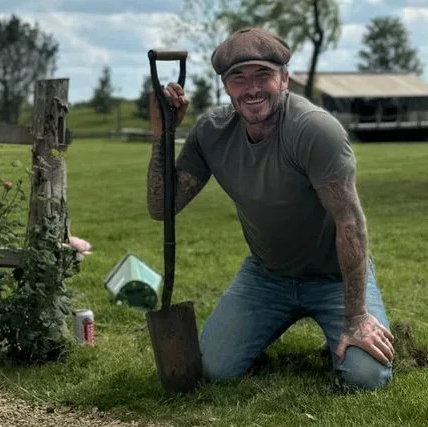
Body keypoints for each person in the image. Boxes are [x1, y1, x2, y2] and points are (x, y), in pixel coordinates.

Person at [147, 27, 394, 389]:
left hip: (333, 278)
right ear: (225, 85)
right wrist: (162, 133)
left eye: (263, 74)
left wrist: (356, 317)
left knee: (366, 377)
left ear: (284, 79)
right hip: (267, 277)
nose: (251, 88)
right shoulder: (211, 133)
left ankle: (345, 330)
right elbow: (161, 207)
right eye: (238, 78)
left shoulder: (314, 130)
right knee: (214, 369)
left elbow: (349, 223)